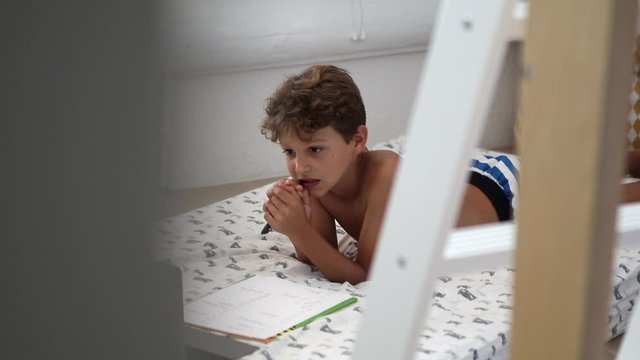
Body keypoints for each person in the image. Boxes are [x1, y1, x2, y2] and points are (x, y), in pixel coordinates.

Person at [259, 64, 518, 284]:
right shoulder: (317, 179)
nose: (300, 167)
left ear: (358, 140)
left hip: (495, 186)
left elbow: (364, 276)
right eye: (290, 152)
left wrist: (300, 231)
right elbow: (319, 257)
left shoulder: (384, 175)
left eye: (315, 149)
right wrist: (294, 223)